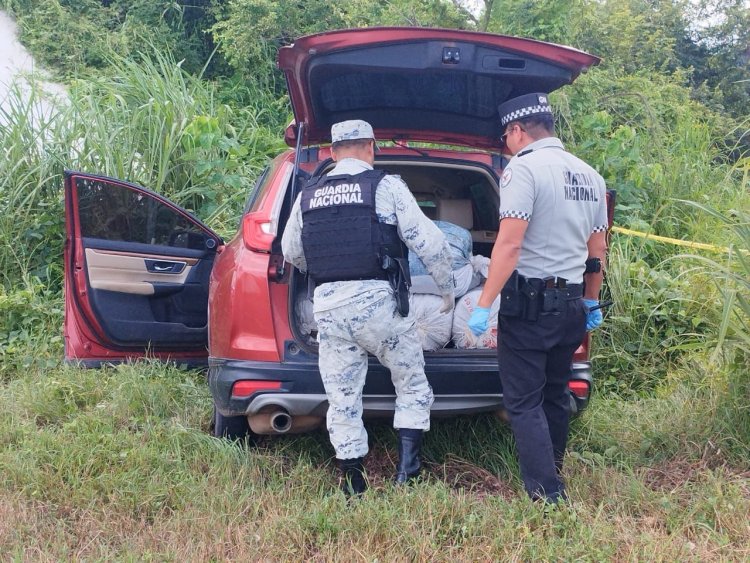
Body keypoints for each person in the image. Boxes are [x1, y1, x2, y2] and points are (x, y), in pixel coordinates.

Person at [281, 119, 454, 497]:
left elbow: (292, 252)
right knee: (411, 386)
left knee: (343, 398)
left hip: (329, 310)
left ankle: (353, 481)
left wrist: (331, 272)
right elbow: (431, 243)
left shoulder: (308, 195)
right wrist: (447, 292)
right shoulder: (386, 186)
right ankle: (408, 472)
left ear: (331, 152)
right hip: (381, 309)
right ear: (371, 147)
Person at [467, 93, 608, 503]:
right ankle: (553, 471)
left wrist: (482, 304)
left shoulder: (523, 170)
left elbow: (509, 246)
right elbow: (596, 251)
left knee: (524, 401)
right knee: (554, 394)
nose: (506, 144)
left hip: (530, 308)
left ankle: (546, 495)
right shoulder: (589, 175)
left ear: (517, 130)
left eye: (505, 136)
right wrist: (591, 301)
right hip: (570, 306)